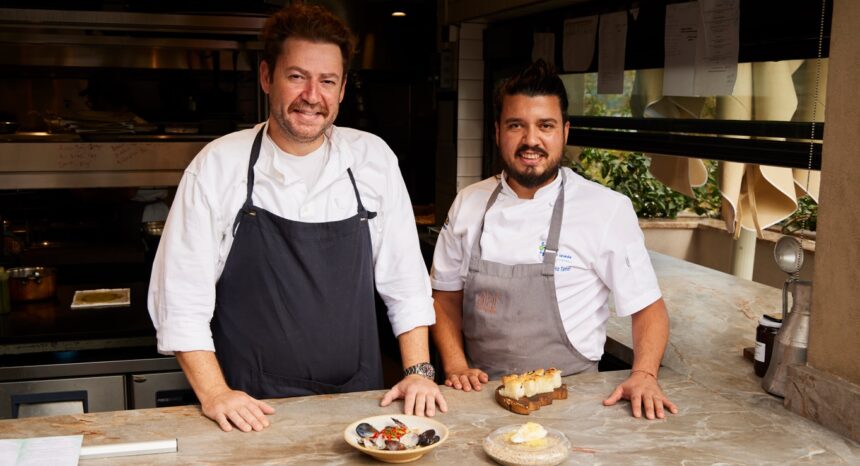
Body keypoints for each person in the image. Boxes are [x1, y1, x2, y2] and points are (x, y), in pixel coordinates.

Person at [147, 4, 446, 433]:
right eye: (297, 76)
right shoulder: (218, 165)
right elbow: (180, 298)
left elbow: (405, 281)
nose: (312, 95)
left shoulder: (373, 159)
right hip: (251, 410)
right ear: (267, 77)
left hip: (358, 403)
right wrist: (215, 393)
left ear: (342, 89)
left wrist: (419, 370)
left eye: (327, 81)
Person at [430, 60, 678, 420]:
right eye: (517, 126)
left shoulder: (605, 209)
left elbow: (648, 308)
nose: (531, 140)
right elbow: (444, 298)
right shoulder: (469, 202)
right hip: (478, 393)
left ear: (565, 132)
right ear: (498, 132)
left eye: (545, 126)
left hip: (573, 399)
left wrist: (643, 375)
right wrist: (454, 366)